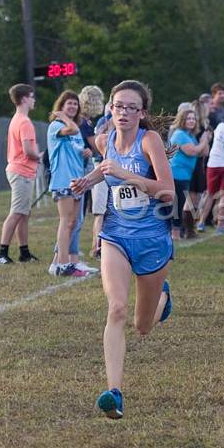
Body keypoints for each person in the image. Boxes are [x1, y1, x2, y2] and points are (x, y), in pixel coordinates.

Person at [69, 80, 175, 420]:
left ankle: (162, 299)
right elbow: (105, 169)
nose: (124, 112)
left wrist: (126, 174)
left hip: (152, 240)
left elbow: (167, 192)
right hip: (115, 234)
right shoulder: (104, 141)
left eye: (131, 107)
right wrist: (88, 181)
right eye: (118, 106)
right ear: (110, 110)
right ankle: (114, 393)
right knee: (116, 308)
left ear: (142, 113)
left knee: (142, 326)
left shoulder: (150, 141)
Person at [0, 84, 41, 265]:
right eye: (32, 96)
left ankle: (24, 252)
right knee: (16, 213)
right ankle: (1, 253)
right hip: (21, 171)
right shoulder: (25, 122)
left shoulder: (17, 119)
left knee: (24, 214)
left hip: (19, 169)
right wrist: (40, 156)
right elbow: (29, 151)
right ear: (24, 99)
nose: (34, 100)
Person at [46, 90, 90, 276]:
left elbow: (76, 147)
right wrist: (63, 117)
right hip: (63, 180)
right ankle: (62, 264)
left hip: (78, 180)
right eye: (69, 103)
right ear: (61, 106)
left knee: (73, 222)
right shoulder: (56, 125)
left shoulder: (75, 127)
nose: (73, 107)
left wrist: (85, 154)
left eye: (75, 104)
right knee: (66, 221)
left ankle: (58, 262)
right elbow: (72, 130)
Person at [167, 104, 209, 240]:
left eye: (193, 119)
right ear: (182, 120)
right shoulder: (179, 134)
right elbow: (192, 151)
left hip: (185, 175)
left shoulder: (189, 136)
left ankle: (177, 232)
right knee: (177, 205)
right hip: (176, 174)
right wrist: (204, 140)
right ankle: (174, 233)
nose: (192, 121)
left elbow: (203, 152)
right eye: (188, 119)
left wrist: (203, 142)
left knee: (181, 204)